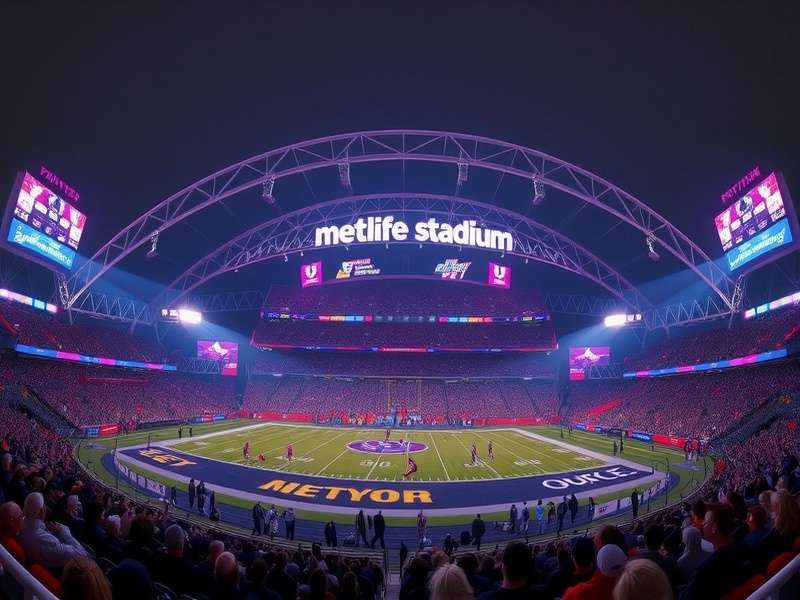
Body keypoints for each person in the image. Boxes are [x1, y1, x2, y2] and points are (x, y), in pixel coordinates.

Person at [680, 503, 755, 599]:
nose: (702, 524)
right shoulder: (745, 546)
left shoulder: (705, 570)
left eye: (706, 522)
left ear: (714, 528)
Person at [18, 492, 86, 569]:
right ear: (41, 511)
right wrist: (65, 534)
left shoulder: (21, 523)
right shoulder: (44, 540)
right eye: (44, 506)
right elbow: (82, 554)